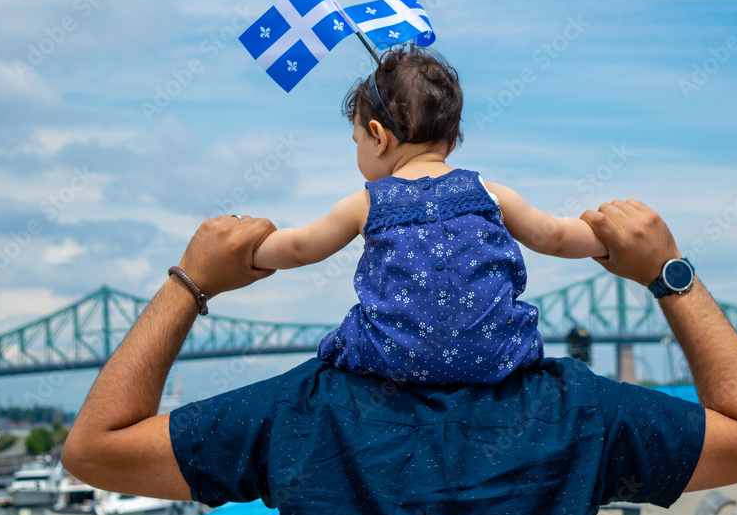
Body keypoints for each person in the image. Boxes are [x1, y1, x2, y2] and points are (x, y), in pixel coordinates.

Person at [62, 199, 737, 515]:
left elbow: (95, 449)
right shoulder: (580, 409)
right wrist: (670, 275)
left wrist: (191, 283)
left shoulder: (299, 408)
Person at [251, 46, 607, 385]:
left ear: (377, 137)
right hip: (497, 356)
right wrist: (606, 240)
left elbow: (299, 248)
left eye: (356, 139)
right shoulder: (491, 194)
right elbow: (554, 236)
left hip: (390, 360)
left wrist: (251, 251)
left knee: (341, 344)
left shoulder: (366, 203)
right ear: (452, 142)